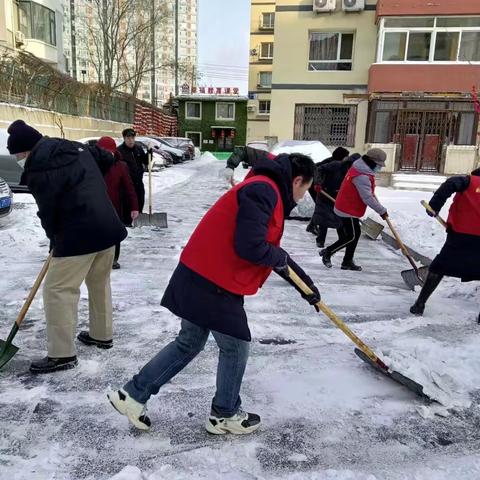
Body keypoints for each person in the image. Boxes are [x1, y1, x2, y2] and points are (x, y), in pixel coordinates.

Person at [107, 153, 321, 434]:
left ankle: (133, 395)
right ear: (296, 180)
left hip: (203, 273)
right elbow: (251, 246)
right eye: (305, 188)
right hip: (212, 280)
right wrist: (281, 260)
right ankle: (225, 413)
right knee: (234, 346)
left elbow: (269, 250)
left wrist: (306, 287)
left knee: (190, 341)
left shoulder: (264, 188)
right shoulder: (263, 190)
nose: (304, 196)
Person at [6, 120, 127, 373]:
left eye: (17, 154)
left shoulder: (39, 166)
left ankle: (62, 355)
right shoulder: (72, 147)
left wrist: (55, 240)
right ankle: (101, 335)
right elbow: (106, 157)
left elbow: (48, 212)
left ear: (26, 150)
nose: (18, 159)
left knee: (57, 290)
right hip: (107, 227)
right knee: (99, 283)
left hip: (78, 234)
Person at [410, 168, 480, 319]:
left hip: (462, 234)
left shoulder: (468, 181)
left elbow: (450, 183)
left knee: (439, 267)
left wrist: (434, 206)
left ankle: (420, 304)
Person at [319, 148, 388, 271]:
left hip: (348, 205)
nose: (379, 168)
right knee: (351, 235)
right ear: (371, 162)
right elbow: (367, 198)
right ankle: (328, 252)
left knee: (354, 234)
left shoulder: (361, 168)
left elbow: (367, 193)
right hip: (347, 208)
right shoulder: (361, 175)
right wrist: (382, 211)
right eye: (378, 165)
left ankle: (347, 261)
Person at [97, 136, 139, 269]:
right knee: (98, 232)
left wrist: (134, 207)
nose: (107, 155)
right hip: (96, 206)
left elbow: (129, 187)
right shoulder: (93, 165)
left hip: (114, 206)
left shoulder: (121, 166)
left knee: (115, 233)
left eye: (110, 152)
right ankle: (97, 258)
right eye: (103, 151)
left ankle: (114, 259)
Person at [311, 153, 360, 248]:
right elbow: (319, 169)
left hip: (338, 197)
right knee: (323, 218)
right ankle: (320, 240)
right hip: (324, 193)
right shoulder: (336, 165)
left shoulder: (354, 173)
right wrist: (318, 182)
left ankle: (342, 238)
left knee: (339, 218)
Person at [305, 147, 350, 235]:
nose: (347, 158)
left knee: (321, 208)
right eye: (346, 156)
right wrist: (318, 183)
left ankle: (312, 225)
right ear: (341, 156)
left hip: (322, 187)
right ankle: (313, 227)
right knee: (322, 207)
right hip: (315, 186)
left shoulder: (340, 164)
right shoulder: (330, 163)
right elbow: (317, 170)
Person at [117, 128, 148, 215]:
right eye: (128, 138)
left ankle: (139, 218)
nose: (131, 140)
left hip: (138, 181)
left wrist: (149, 154)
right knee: (128, 204)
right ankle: (128, 221)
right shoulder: (119, 151)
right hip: (126, 184)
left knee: (140, 200)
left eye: (132, 138)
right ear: (124, 138)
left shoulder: (138, 149)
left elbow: (145, 161)